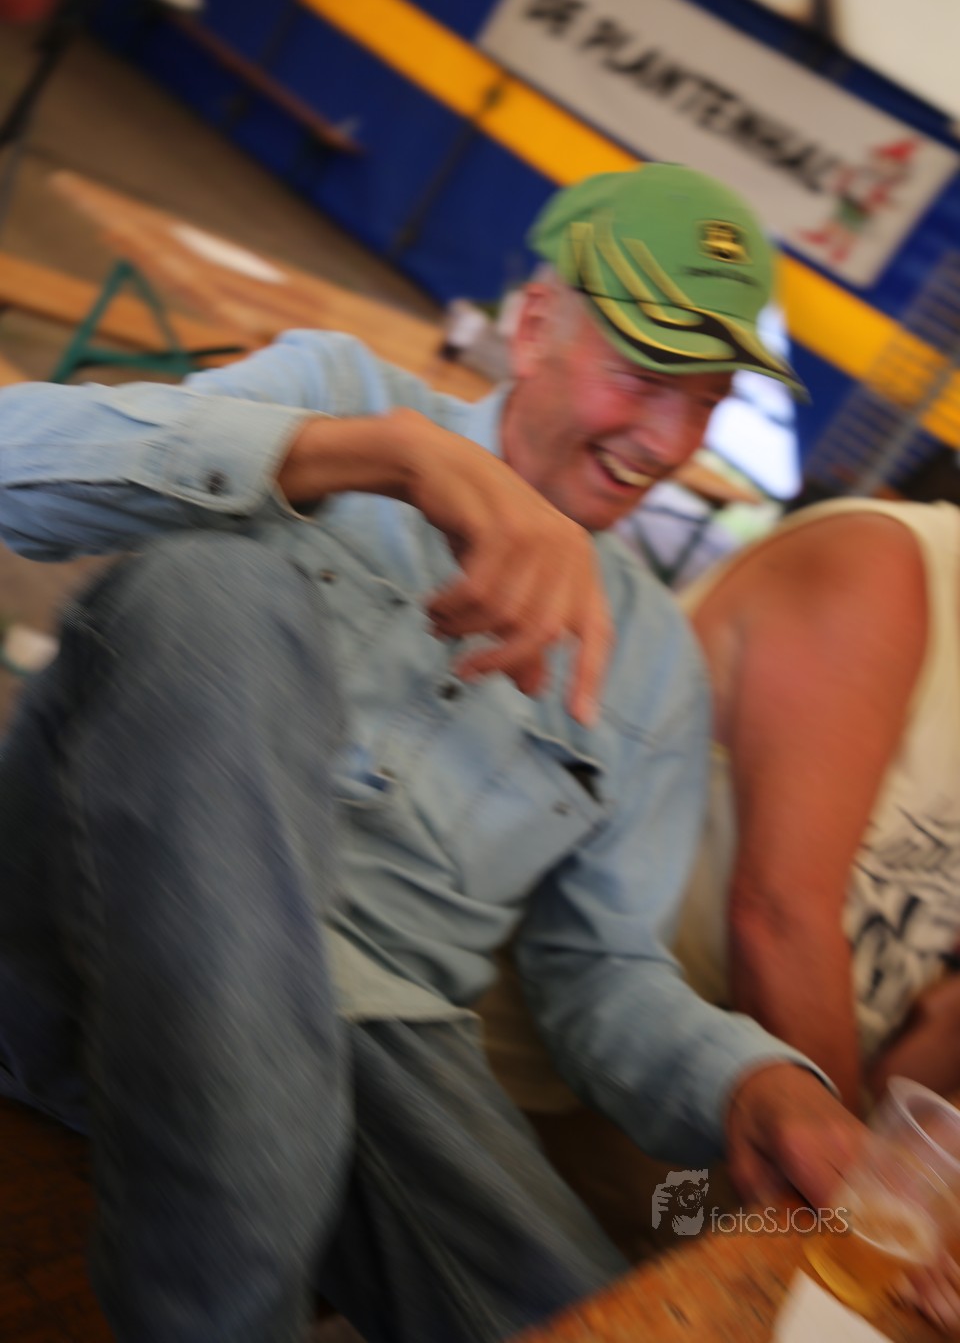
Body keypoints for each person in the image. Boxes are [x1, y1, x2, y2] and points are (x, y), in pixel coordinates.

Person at [0, 164, 858, 1343]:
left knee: (579, 1312)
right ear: (535, 326)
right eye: (644, 374)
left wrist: (749, 1079)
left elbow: (602, 970)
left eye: (705, 401)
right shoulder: (339, 396)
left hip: (376, 1050)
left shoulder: (655, 672)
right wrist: (372, 459)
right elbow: (15, 464)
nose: (665, 440)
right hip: (77, 941)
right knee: (217, 593)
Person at [673, 497, 960, 1115]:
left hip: (812, 1092)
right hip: (646, 1072)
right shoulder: (882, 568)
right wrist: (850, 1160)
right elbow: (776, 918)